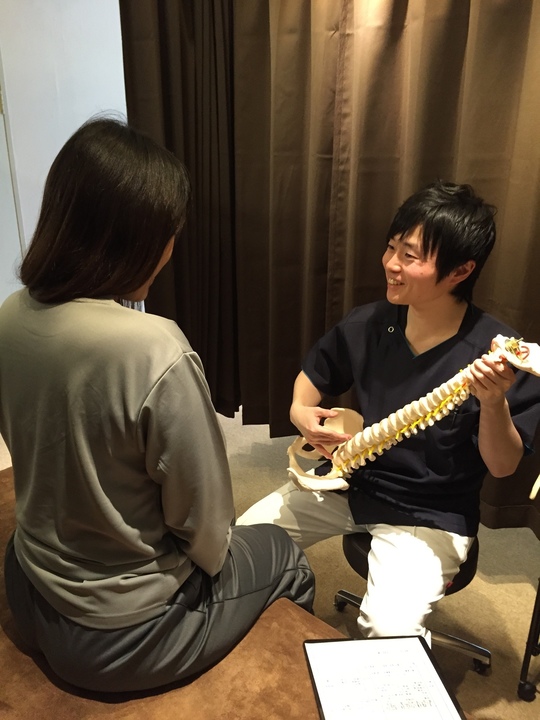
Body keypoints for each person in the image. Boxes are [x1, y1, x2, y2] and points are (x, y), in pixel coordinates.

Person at [0, 117, 314, 693]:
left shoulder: (9, 314)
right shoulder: (153, 348)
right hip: (121, 635)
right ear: (131, 239)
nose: (171, 249)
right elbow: (208, 528)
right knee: (283, 554)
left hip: (28, 584)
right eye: (168, 233)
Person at [238, 180, 540, 640]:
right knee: (240, 545)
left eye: (410, 256)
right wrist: (300, 410)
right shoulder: (370, 324)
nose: (391, 264)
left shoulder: (497, 355)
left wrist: (493, 401)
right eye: (391, 247)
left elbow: (503, 466)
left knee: (387, 630)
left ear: (461, 271)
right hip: (348, 482)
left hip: (430, 511)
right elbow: (314, 375)